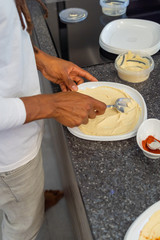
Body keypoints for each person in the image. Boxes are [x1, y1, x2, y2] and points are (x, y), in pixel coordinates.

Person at [0, 0, 106, 239]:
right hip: (7, 160)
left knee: (24, 201)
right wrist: (53, 104)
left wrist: (39, 59)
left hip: (16, 143)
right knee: (23, 225)